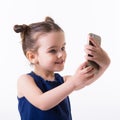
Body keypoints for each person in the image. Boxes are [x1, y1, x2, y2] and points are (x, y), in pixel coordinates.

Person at [13, 16, 110, 120]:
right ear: (32, 56)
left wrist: (105, 63)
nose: (61, 54)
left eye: (62, 48)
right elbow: (42, 103)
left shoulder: (64, 81)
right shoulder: (25, 81)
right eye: (52, 50)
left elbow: (86, 80)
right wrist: (73, 83)